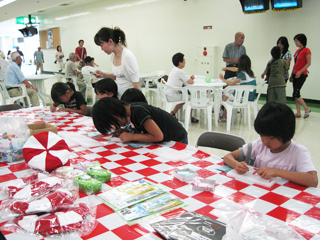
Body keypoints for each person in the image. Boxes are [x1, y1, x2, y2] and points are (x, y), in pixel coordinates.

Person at [223, 102, 318, 187]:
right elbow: (228, 156)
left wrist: (277, 172)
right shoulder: (259, 145)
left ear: (286, 133)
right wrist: (236, 165)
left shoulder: (298, 152)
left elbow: (313, 180)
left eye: (271, 138)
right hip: (260, 194)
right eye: (261, 135)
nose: (265, 141)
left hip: (286, 199)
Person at [92, 97, 188, 144]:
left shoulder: (138, 112)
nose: (114, 127)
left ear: (114, 115)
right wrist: (129, 131)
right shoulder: (131, 110)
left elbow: (158, 136)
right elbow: (143, 128)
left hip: (177, 141)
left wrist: (132, 136)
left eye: (112, 124)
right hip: (168, 140)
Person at [94, 27, 140, 97]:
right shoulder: (113, 56)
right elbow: (118, 76)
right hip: (118, 95)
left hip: (129, 98)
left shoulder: (127, 56)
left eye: (102, 45)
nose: (102, 49)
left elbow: (136, 84)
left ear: (110, 42)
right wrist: (104, 75)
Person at [219, 54, 256, 121]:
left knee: (227, 93)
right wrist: (226, 68)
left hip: (245, 97)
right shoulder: (249, 72)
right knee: (228, 92)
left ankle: (220, 109)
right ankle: (222, 112)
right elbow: (235, 69)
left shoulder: (242, 73)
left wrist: (223, 79)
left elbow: (232, 83)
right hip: (251, 95)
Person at [165, 52, 198, 123]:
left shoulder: (174, 69)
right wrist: (192, 79)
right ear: (180, 62)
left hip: (169, 94)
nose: (185, 62)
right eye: (184, 60)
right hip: (173, 95)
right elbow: (191, 82)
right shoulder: (180, 71)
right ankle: (190, 117)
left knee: (185, 97)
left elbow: (185, 80)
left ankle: (173, 112)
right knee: (191, 97)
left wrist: (189, 79)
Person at [290, 34, 311, 118]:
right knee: (296, 94)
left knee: (296, 93)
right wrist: (292, 74)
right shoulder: (297, 51)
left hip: (302, 74)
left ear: (301, 41)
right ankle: (298, 112)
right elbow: (295, 64)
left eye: (296, 41)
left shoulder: (307, 50)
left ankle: (306, 108)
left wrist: (300, 72)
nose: (295, 43)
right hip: (295, 74)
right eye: (295, 41)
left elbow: (308, 63)